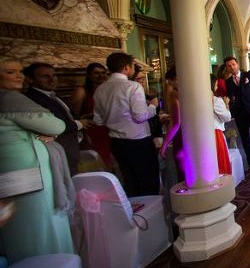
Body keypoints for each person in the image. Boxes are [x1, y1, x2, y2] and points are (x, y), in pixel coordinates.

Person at [0, 57, 74, 263]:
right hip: (28, 176)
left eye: (19, 71)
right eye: (10, 72)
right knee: (41, 229)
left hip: (7, 175)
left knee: (18, 231)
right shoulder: (9, 98)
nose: (18, 76)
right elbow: (56, 126)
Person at [93, 52, 160, 197]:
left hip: (116, 143)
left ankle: (134, 216)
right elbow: (140, 116)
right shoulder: (133, 87)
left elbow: (98, 120)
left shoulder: (100, 89)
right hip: (138, 142)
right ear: (126, 67)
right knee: (148, 181)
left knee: (130, 182)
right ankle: (151, 216)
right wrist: (153, 107)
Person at [23, 62, 89, 174]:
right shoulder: (32, 99)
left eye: (54, 75)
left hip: (70, 147)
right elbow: (53, 125)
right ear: (30, 79)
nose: (52, 80)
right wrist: (79, 124)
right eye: (45, 76)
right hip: (58, 151)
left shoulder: (52, 95)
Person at [224, 56, 250, 175]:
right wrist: (232, 111)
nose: (232, 67)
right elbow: (231, 98)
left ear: (237, 64)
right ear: (227, 68)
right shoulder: (228, 82)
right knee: (245, 140)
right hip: (239, 115)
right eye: (229, 66)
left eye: (233, 64)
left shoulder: (248, 76)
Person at [70, 62, 112, 169]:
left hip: (108, 129)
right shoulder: (81, 91)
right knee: (98, 162)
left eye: (103, 73)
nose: (101, 76)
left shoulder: (109, 90)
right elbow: (73, 116)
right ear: (89, 75)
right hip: (92, 131)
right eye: (96, 73)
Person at [159, 66, 185, 182]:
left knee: (183, 170)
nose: (169, 86)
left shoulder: (174, 95)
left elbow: (176, 123)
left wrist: (165, 144)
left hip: (182, 136)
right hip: (197, 135)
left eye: (169, 82)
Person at [211, 74, 232, 175]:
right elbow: (227, 117)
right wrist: (226, 104)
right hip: (216, 133)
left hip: (204, 134)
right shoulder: (216, 100)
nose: (217, 87)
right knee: (220, 161)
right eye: (216, 84)